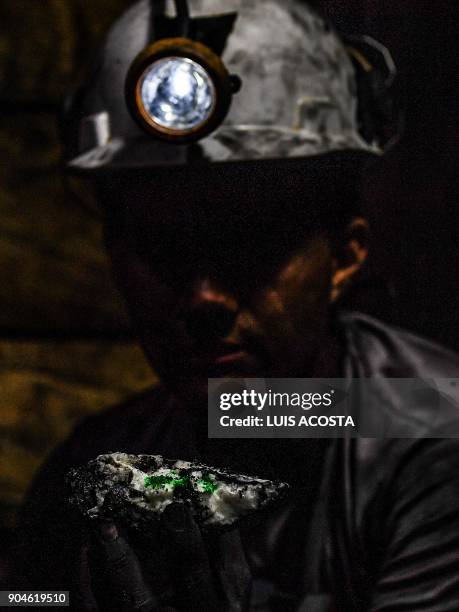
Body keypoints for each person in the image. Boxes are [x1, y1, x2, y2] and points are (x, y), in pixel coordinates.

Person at [12, 1, 459, 610]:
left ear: (345, 256)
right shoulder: (91, 472)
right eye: (161, 247)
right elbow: (28, 600)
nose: (204, 298)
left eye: (250, 245)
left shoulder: (434, 437)